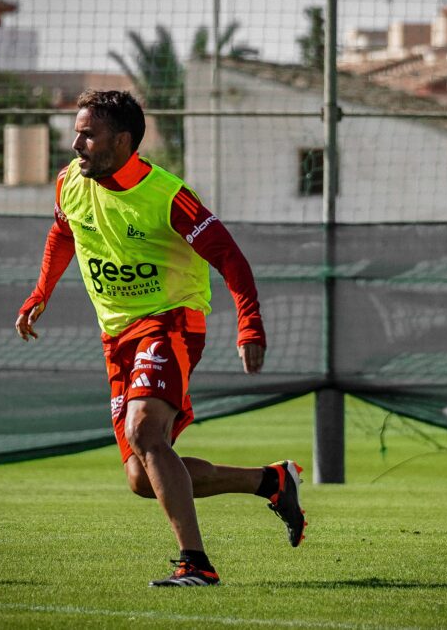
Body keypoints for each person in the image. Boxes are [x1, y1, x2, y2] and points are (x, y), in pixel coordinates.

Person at [15, 90, 306, 587]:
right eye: (77, 132)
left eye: (88, 133)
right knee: (141, 479)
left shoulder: (167, 195)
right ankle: (271, 481)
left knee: (146, 432)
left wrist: (249, 321)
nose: (76, 142)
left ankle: (196, 564)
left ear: (122, 140)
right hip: (116, 338)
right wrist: (41, 291)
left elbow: (230, 257)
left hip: (170, 322)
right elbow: (63, 231)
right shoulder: (70, 182)